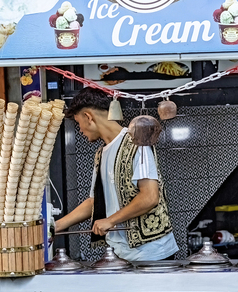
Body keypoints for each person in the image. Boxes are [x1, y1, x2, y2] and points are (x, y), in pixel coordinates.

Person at [54, 88, 178, 262]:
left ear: (88, 117)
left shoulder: (137, 141)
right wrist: (55, 227)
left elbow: (150, 197)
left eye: (78, 122)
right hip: (121, 253)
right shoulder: (100, 154)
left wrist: (110, 220)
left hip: (153, 253)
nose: (80, 130)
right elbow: (94, 202)